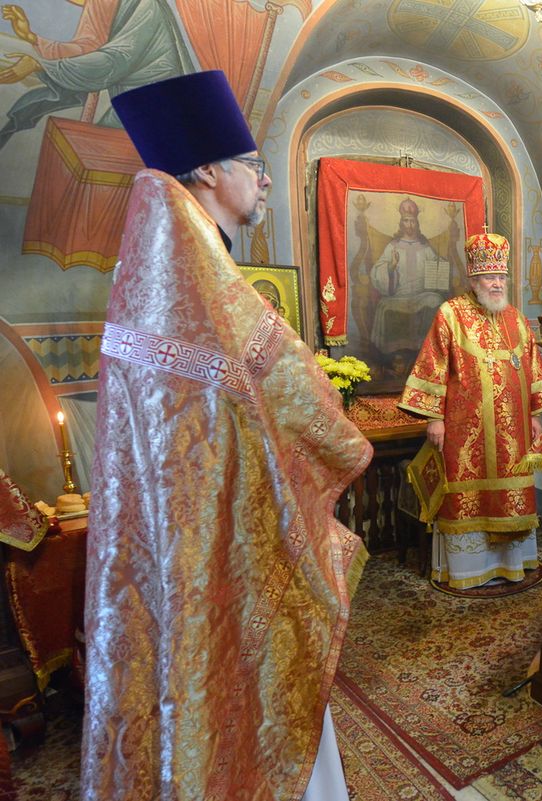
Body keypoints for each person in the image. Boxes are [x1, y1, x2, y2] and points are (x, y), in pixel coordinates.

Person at [85, 71, 370, 800]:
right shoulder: (196, 277)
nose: (264, 181)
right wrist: (338, 435)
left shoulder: (158, 267)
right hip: (222, 538)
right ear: (209, 171)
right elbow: (290, 392)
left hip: (188, 538)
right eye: (254, 166)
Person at [400, 229, 542, 589]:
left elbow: (532, 368)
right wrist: (435, 418)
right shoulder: (450, 315)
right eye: (489, 277)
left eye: (501, 276)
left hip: (514, 433)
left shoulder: (515, 318)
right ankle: (468, 571)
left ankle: (512, 565)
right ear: (474, 279)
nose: (497, 283)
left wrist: (535, 414)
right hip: (465, 432)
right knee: (467, 496)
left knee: (512, 494)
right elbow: (433, 366)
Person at [0, 0, 194, 150]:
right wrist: (31, 37)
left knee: (98, 150)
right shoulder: (99, 3)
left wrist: (41, 67)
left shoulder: (146, 6)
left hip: (156, 106)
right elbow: (86, 49)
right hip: (129, 101)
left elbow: (112, 61)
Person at [368, 196, 444, 357]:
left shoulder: (425, 247)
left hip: (422, 295)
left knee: (436, 300)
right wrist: (391, 266)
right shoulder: (392, 246)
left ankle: (428, 348)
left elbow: (438, 266)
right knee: (384, 307)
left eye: (412, 221)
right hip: (399, 296)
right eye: (406, 221)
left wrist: (440, 264)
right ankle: (394, 354)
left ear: (417, 223)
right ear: (401, 223)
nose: (409, 225)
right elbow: (377, 271)